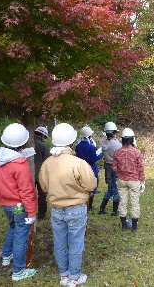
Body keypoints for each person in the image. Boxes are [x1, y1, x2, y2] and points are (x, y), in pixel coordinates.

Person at [39, 123, 97, 287]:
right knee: (76, 242)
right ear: (71, 141)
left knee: (60, 242)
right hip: (76, 209)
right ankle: (74, 277)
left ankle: (64, 275)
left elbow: (43, 187)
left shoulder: (47, 163)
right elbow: (91, 184)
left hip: (56, 209)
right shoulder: (77, 162)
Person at [0, 123, 38, 281]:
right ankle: (19, 271)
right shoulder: (20, 164)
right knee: (21, 235)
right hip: (19, 206)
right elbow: (27, 190)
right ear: (22, 143)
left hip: (5, 203)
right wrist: (31, 212)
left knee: (13, 227)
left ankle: (6, 255)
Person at [112, 128, 145, 232]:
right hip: (134, 180)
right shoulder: (137, 152)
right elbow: (141, 168)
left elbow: (114, 168)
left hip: (122, 180)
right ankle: (134, 228)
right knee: (135, 203)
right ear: (132, 139)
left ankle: (124, 226)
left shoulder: (117, 152)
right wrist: (142, 181)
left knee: (123, 202)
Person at [75, 126, 103, 211]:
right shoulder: (91, 146)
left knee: (82, 187)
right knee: (92, 187)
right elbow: (93, 159)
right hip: (91, 168)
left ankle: (83, 204)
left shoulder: (78, 146)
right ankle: (89, 207)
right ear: (89, 136)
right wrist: (101, 154)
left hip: (81, 168)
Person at [98, 122, 122, 215]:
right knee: (116, 189)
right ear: (113, 133)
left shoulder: (104, 143)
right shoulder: (117, 145)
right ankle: (114, 211)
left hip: (107, 166)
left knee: (110, 188)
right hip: (115, 167)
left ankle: (102, 208)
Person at [34, 126, 50, 220]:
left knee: (29, 194)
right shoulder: (43, 145)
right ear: (43, 135)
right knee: (42, 195)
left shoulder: (28, 144)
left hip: (28, 174)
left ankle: (29, 212)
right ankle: (41, 214)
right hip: (40, 174)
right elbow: (47, 161)